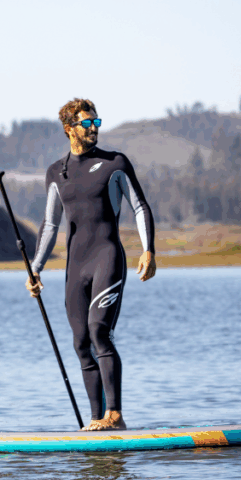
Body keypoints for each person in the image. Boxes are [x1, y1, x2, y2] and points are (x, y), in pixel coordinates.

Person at [26, 98, 156, 431]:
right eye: (87, 124)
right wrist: (35, 268)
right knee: (81, 342)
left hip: (107, 258)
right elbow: (50, 224)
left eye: (96, 123)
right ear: (69, 128)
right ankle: (96, 420)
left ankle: (115, 415)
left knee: (100, 332)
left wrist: (148, 250)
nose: (94, 128)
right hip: (75, 268)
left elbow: (140, 207)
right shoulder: (57, 172)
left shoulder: (114, 163)